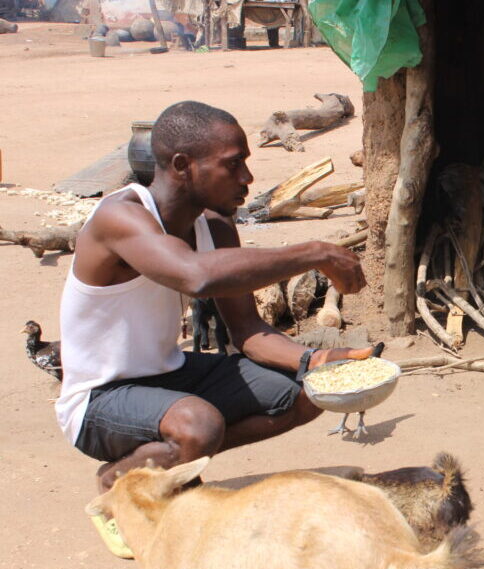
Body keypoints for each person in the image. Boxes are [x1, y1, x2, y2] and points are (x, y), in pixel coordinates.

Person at [55, 101, 370, 516]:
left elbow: (249, 333)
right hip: (99, 399)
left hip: (166, 376)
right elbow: (193, 276)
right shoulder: (120, 218)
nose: (247, 178)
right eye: (233, 165)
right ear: (183, 165)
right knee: (199, 425)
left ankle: (172, 460)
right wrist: (314, 252)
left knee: (312, 391)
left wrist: (318, 360)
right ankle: (119, 481)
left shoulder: (215, 227)